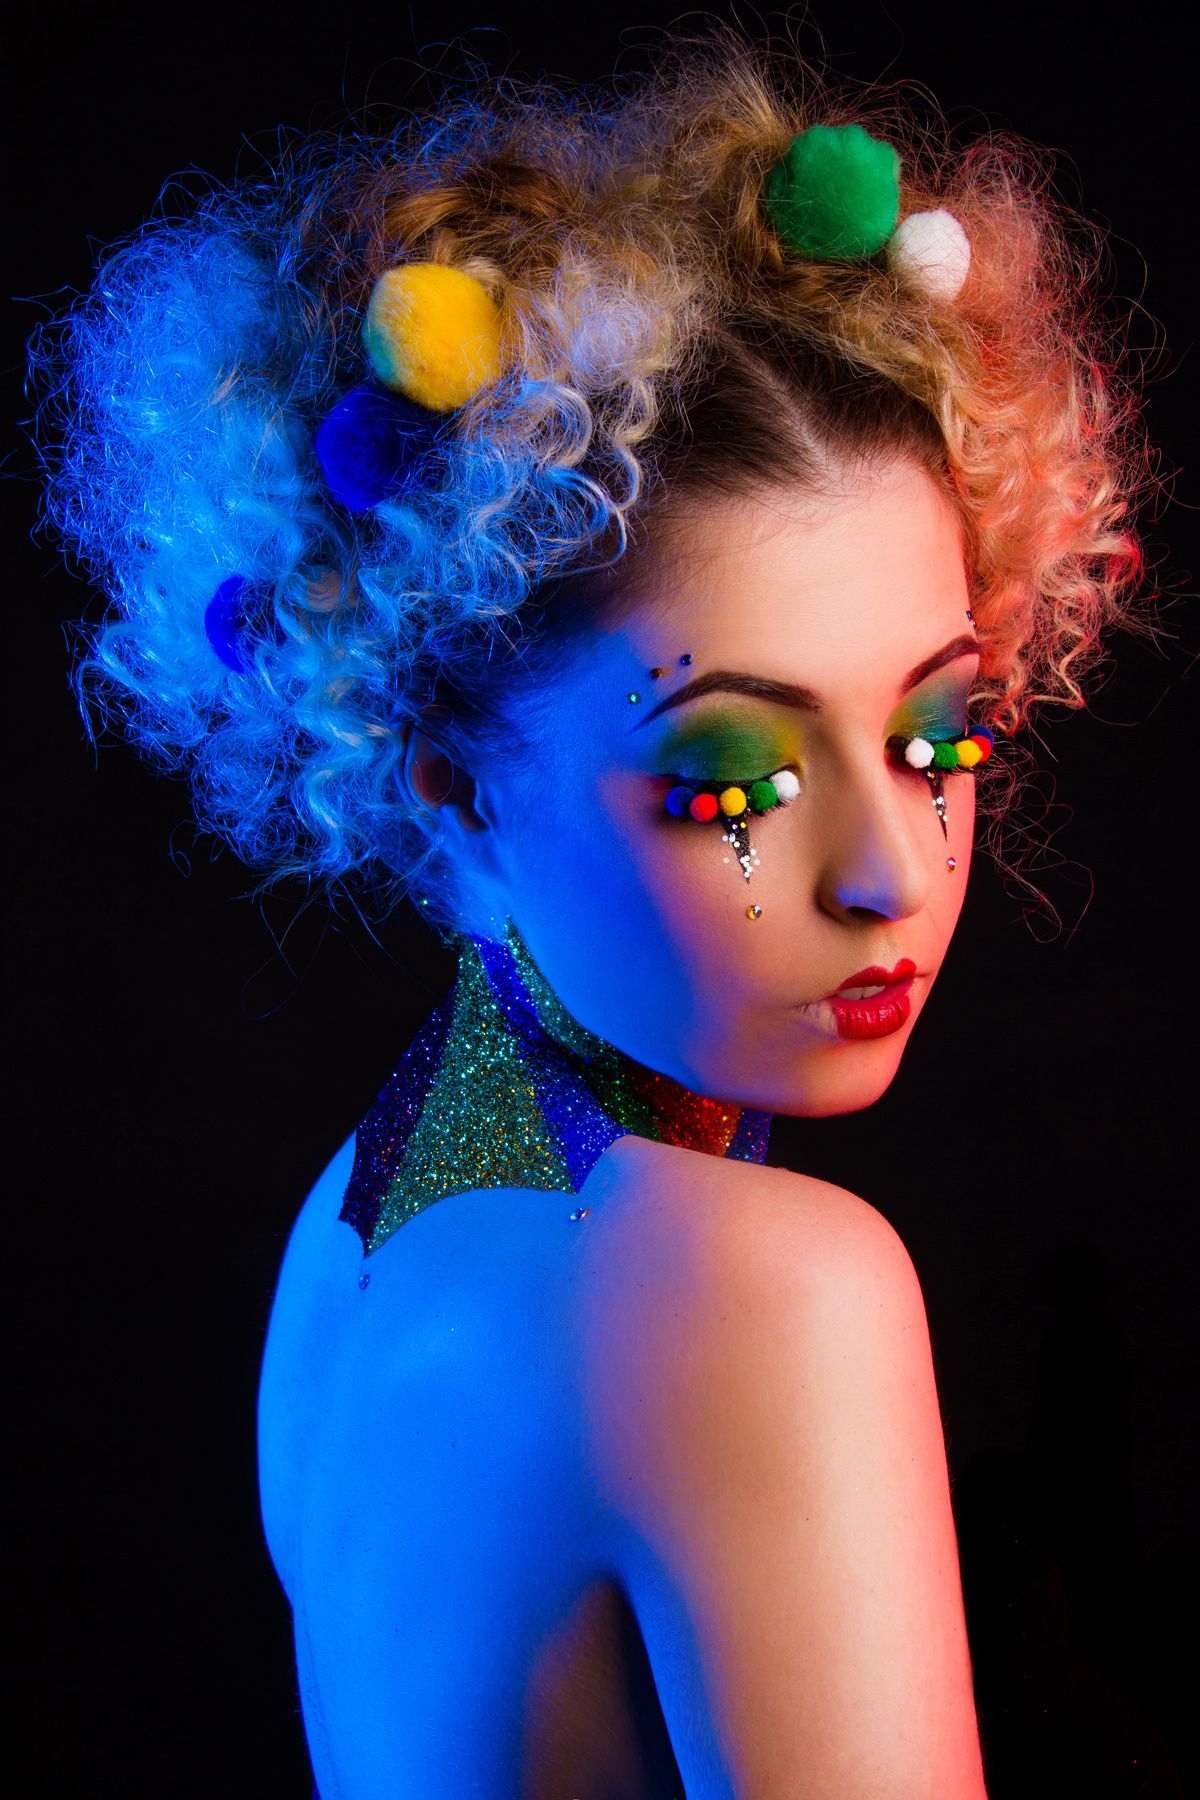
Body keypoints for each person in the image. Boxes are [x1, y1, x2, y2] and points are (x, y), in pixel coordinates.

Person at [34, 21, 1145, 1797]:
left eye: (941, 734)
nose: (888, 870)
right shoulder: (761, 1295)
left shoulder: (361, 1223)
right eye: (735, 783)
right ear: (451, 790)